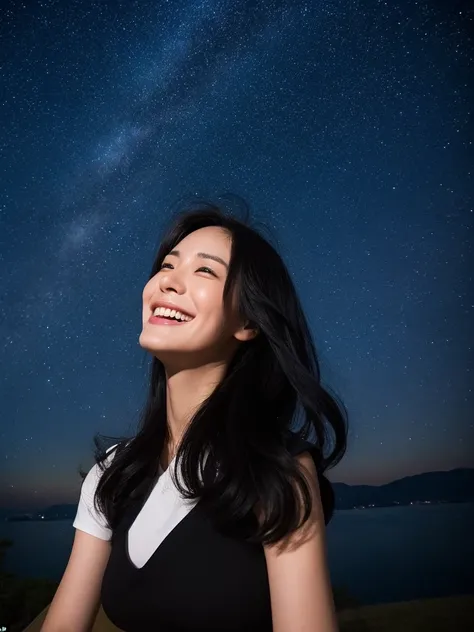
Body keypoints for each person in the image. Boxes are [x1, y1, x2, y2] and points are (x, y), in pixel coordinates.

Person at [41, 198, 348, 632]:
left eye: (205, 270)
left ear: (248, 322)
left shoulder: (276, 470)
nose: (167, 282)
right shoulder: (111, 473)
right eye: (167, 266)